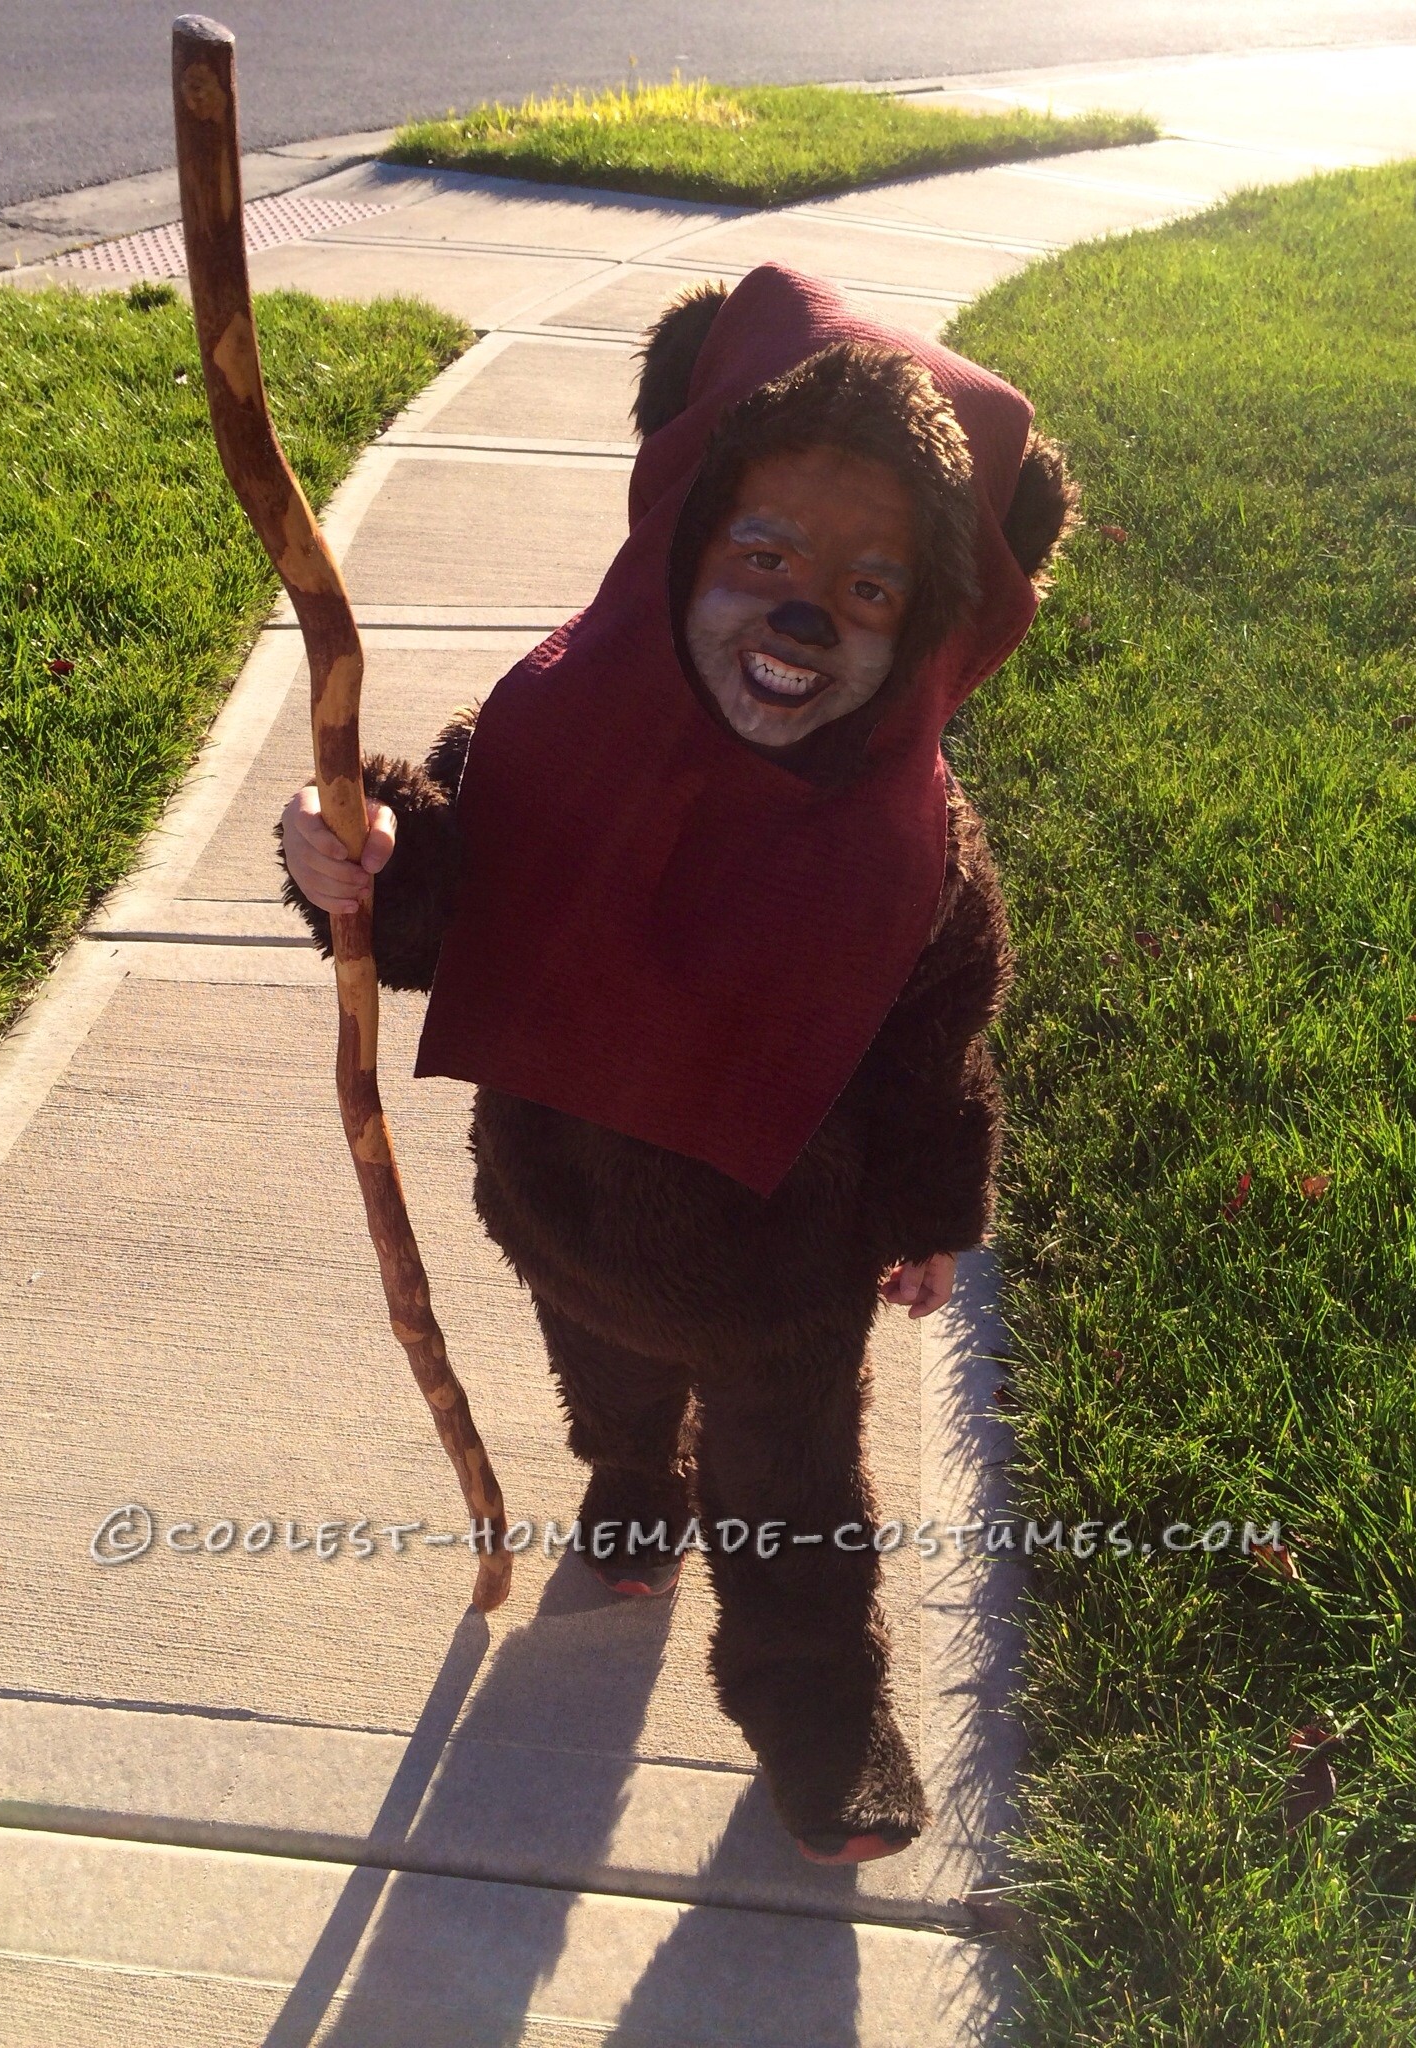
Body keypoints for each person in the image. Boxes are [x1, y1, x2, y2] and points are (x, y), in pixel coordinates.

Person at [279, 264, 1077, 1864]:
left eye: (865, 594)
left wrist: (930, 1210)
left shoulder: (913, 857)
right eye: (764, 558)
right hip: (564, 1198)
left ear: (931, 629)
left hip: (787, 1261)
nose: (800, 616)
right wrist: (358, 857)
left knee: (796, 1502)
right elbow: (446, 902)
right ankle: (632, 1477)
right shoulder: (552, 737)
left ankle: (818, 1710)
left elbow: (938, 1047)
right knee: (611, 1378)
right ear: (680, 541)